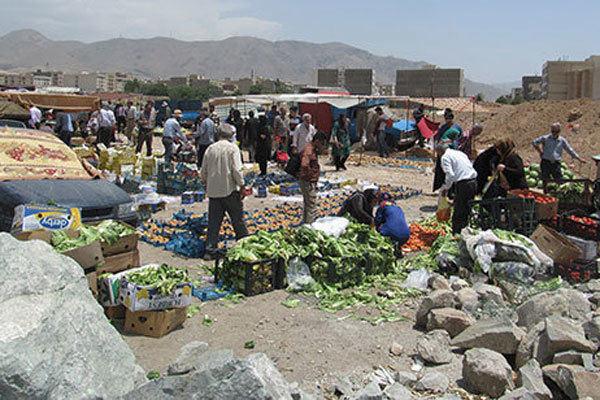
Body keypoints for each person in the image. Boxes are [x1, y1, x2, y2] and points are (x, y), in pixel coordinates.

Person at [200, 123, 249, 260]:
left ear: (218, 135)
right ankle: (244, 245)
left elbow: (203, 170)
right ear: (231, 136)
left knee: (214, 223)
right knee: (238, 220)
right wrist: (242, 186)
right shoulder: (233, 149)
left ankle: (210, 251)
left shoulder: (210, 148)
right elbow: (236, 170)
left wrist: (205, 183)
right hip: (230, 190)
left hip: (214, 192)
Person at [436, 143, 478, 234]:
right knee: (467, 210)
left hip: (463, 184)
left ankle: (457, 234)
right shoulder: (460, 153)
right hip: (473, 182)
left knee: (459, 212)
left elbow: (450, 175)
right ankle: (466, 231)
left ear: (439, 152)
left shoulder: (445, 157)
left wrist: (446, 188)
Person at [298, 131, 328, 224]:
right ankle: (310, 225)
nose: (322, 146)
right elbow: (304, 164)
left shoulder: (312, 148)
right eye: (322, 143)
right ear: (317, 141)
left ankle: (306, 224)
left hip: (308, 180)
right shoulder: (309, 150)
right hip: (307, 181)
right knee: (311, 205)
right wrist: (311, 175)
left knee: (308, 204)